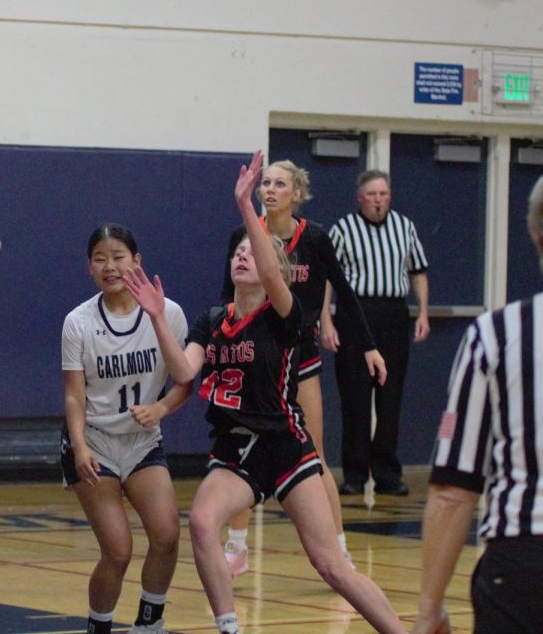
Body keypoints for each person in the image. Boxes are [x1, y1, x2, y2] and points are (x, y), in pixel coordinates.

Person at [123, 151, 406, 634]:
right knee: (201, 522)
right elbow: (182, 370)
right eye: (238, 252)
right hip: (236, 448)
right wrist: (155, 320)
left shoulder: (283, 314)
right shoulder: (212, 320)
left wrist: (243, 204)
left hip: (285, 445)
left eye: (251, 253)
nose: (240, 255)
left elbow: (276, 275)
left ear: (272, 264)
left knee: (330, 566)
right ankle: (230, 627)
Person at [215, 161, 386, 577]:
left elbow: (344, 294)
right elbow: (227, 298)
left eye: (280, 184)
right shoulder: (244, 236)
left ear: (297, 193)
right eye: (266, 183)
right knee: (243, 451)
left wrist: (369, 347)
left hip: (300, 355)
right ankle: (236, 549)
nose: (270, 190)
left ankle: (340, 552)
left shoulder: (315, 238)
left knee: (315, 454)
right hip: (256, 356)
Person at [412, 175, 543, 634]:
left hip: (523, 562)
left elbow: (454, 489)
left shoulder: (495, 336)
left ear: (533, 233)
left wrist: (429, 608)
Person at [62, 223, 194, 634]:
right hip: (95, 442)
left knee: (168, 534)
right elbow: (73, 395)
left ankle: (149, 621)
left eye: (118, 256)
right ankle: (98, 625)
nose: (110, 265)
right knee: (118, 551)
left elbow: (185, 381)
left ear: (136, 261)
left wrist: (161, 408)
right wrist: (80, 446)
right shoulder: (77, 322)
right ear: (89, 267)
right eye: (100, 258)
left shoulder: (167, 313)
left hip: (142, 442)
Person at [328, 169, 430, 496]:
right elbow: (328, 278)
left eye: (383, 194)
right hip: (355, 313)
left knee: (390, 396)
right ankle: (355, 474)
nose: (378, 200)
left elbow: (418, 271)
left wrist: (423, 312)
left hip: (393, 314)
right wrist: (325, 321)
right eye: (372, 194)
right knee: (355, 397)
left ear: (390, 196)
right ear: (360, 198)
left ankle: (387, 472)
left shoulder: (405, 227)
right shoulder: (343, 229)